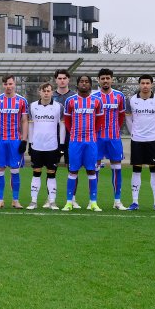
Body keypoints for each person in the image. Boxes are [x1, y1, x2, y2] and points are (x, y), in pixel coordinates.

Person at [62, 74, 104, 211]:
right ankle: (69, 202)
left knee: (91, 171)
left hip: (91, 142)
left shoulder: (97, 101)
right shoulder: (70, 101)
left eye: (87, 82)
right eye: (81, 81)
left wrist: (92, 133)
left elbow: (99, 121)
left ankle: (93, 202)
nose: (84, 84)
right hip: (75, 141)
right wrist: (74, 132)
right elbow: (67, 120)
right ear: (77, 84)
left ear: (90, 84)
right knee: (73, 171)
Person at [0, 75, 28, 209]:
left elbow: (24, 121)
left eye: (10, 84)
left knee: (15, 170)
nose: (8, 87)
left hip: (15, 140)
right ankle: (0, 200)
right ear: (2, 85)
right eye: (6, 84)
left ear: (14, 84)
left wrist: (24, 140)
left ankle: (15, 200)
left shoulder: (22, 101)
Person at [126, 74, 155, 211]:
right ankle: (135, 202)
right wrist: (133, 133)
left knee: (154, 169)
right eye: (142, 83)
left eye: (148, 83)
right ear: (139, 85)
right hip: (137, 140)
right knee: (136, 170)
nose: (145, 86)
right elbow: (128, 119)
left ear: (152, 84)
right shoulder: (131, 100)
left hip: (153, 140)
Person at [94, 68, 128, 210]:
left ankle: (117, 201)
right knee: (94, 169)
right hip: (97, 138)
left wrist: (115, 130)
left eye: (108, 78)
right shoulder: (94, 96)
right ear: (99, 80)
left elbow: (121, 116)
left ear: (112, 80)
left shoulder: (119, 96)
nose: (105, 80)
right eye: (103, 78)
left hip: (114, 137)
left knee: (117, 168)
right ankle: (93, 201)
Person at [26, 81, 62, 210]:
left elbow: (62, 126)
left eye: (48, 91)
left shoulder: (58, 107)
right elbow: (30, 125)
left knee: (51, 174)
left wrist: (61, 145)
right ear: (39, 92)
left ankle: (52, 201)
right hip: (37, 146)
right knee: (36, 173)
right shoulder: (32, 106)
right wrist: (30, 144)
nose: (46, 93)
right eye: (44, 90)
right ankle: (33, 201)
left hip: (52, 146)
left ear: (52, 92)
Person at [53, 69, 74, 166]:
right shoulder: (50, 96)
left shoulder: (74, 96)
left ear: (68, 80)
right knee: (53, 165)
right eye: (59, 78)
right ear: (56, 80)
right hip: (54, 134)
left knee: (71, 165)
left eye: (64, 78)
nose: (62, 80)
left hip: (71, 134)